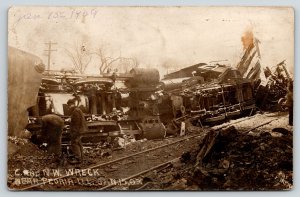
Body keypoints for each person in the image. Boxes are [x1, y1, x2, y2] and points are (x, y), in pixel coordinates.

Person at [67, 98, 87, 164]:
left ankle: (78, 159)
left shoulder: (75, 112)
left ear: (72, 104)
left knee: (74, 143)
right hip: (80, 130)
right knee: (79, 143)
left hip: (77, 131)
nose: (69, 107)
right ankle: (81, 158)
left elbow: (76, 123)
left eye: (69, 105)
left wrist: (74, 133)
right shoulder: (77, 110)